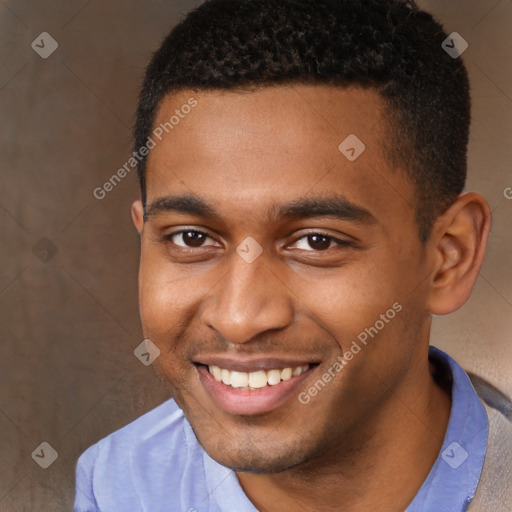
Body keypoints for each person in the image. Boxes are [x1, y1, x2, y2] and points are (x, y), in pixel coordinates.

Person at [74, 0, 512, 510]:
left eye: (316, 241)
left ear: (447, 257)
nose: (239, 318)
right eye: (192, 239)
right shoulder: (119, 484)